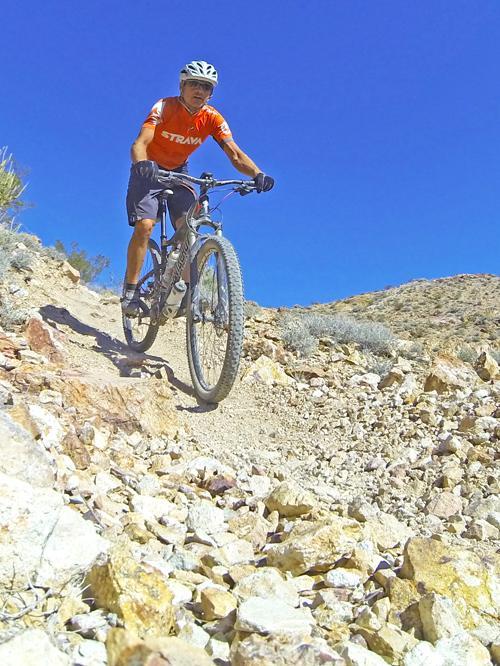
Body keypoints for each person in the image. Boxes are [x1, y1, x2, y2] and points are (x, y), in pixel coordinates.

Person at [122, 60, 274, 316]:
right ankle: (131, 292)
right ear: (182, 86)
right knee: (145, 225)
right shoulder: (164, 107)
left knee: (189, 228)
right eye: (194, 84)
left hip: (179, 171)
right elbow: (140, 142)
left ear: (211, 93)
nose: (199, 91)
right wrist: (140, 164)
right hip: (149, 169)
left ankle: (179, 290)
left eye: (206, 87)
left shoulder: (212, 118)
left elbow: (235, 154)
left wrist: (258, 173)